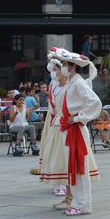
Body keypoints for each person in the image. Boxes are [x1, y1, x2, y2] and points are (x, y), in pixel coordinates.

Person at [52, 48, 101, 216]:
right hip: (68, 127)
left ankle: (83, 203)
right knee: (73, 166)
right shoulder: (72, 82)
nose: (63, 66)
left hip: (75, 129)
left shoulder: (78, 82)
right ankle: (78, 200)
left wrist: (80, 117)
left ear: (72, 67)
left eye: (65, 64)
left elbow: (94, 102)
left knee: (80, 166)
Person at [38, 54, 68, 198]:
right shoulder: (52, 84)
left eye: (57, 69)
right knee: (55, 151)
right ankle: (58, 181)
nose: (54, 72)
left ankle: (66, 182)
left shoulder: (70, 83)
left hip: (64, 119)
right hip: (53, 119)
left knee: (64, 151)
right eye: (53, 69)